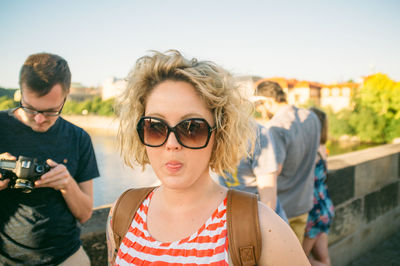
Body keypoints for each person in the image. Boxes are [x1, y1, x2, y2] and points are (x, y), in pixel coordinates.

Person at [106, 50, 309, 265]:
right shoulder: (123, 213)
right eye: (155, 127)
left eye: (192, 128)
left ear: (219, 134)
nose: (171, 144)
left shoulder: (263, 228)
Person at [0, 53, 99, 265]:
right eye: (30, 108)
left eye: (50, 111)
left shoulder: (79, 138)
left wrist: (66, 184)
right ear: (21, 92)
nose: (39, 119)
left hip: (66, 256)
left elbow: (85, 214)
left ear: (66, 96)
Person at [254, 80, 321, 244]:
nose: (261, 113)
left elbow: (273, 170)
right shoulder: (312, 117)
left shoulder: (276, 127)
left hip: (282, 209)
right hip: (304, 204)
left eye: (260, 107)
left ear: (268, 102)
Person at [218, 121, 289, 223]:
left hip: (258, 216)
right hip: (232, 213)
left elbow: (268, 198)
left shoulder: (258, 134)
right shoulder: (214, 130)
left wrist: (259, 230)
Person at [303, 107, 335, 266]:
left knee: (299, 260)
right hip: (325, 208)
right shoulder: (322, 148)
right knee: (324, 259)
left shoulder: (311, 151)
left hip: (313, 211)